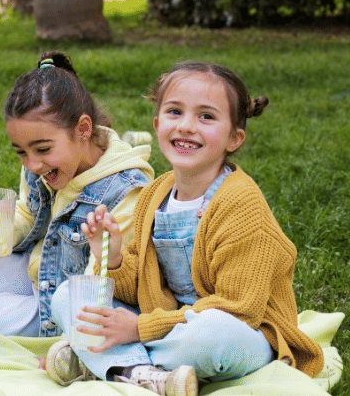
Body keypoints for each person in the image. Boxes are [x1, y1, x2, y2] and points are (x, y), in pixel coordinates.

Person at [45, 61, 324, 396]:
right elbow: (138, 290)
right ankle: (145, 374)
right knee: (67, 296)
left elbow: (239, 309)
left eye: (206, 116)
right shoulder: (154, 194)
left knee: (211, 337)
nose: (187, 126)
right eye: (175, 112)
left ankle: (108, 361)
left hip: (244, 332)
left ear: (234, 138)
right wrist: (114, 256)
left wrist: (139, 328)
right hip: (167, 324)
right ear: (157, 122)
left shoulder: (241, 205)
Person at [0, 52, 153, 338]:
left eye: (42, 149)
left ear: (83, 129)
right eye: (21, 151)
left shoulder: (125, 191)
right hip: (37, 270)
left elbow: (101, 289)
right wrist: (2, 230)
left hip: (63, 307)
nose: (32, 164)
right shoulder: (46, 167)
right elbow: (28, 213)